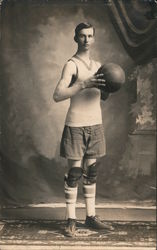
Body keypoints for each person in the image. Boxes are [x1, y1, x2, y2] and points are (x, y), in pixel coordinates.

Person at [53, 22, 112, 237]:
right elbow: (58, 95)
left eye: (90, 36)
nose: (86, 40)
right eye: (82, 36)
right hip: (76, 125)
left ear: (94, 39)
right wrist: (83, 85)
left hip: (95, 124)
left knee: (92, 172)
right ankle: (70, 219)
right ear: (75, 38)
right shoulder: (71, 65)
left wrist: (109, 86)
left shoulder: (98, 65)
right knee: (75, 173)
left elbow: (103, 96)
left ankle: (90, 216)